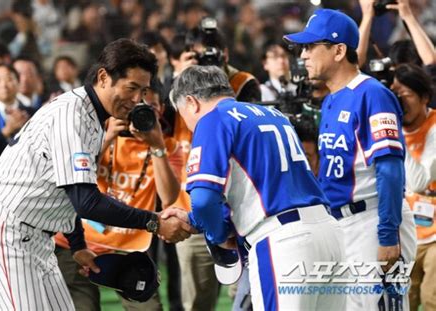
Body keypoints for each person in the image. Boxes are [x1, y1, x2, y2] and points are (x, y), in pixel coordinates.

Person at [0, 38, 194, 310]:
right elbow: (86, 201)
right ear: (103, 77)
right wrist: (154, 222)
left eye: (143, 91)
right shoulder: (73, 114)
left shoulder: (90, 117)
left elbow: (65, 191)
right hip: (7, 234)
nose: (137, 99)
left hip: (35, 237)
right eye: (131, 87)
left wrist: (77, 246)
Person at [167, 65, 346, 310]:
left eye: (182, 114)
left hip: (283, 241)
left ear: (191, 102)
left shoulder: (213, 119)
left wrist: (218, 236)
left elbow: (204, 200)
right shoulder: (274, 114)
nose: (187, 124)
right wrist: (196, 220)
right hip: (329, 234)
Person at [284, 8, 417, 310]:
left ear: (339, 50)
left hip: (372, 221)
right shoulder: (331, 98)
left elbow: (390, 169)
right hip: (342, 225)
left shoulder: (372, 93)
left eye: (310, 46)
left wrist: (386, 235)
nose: (303, 55)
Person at [54, 78, 182, 311]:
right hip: (77, 241)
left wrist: (157, 145)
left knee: (149, 308)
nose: (137, 115)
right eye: (134, 108)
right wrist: (107, 137)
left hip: (129, 248)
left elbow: (169, 197)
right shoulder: (93, 131)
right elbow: (73, 174)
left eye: (148, 108)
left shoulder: (167, 146)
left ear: (160, 109)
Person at [391, 64, 436, 311]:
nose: (398, 102)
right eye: (394, 95)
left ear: (424, 97)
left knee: (431, 301)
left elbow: (418, 181)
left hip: (435, 237)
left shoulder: (434, 127)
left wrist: (393, 133)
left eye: (405, 94)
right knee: (403, 301)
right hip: (405, 233)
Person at [0, 63, 35, 167]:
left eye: (9, 79)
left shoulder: (33, 113)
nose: (4, 85)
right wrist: (7, 130)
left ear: (18, 82)